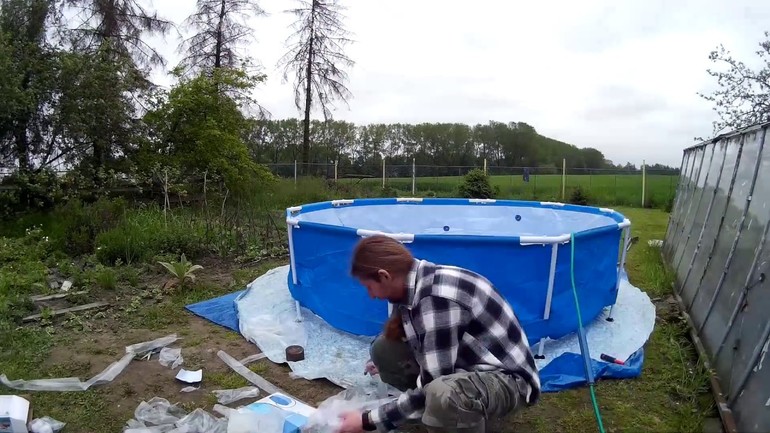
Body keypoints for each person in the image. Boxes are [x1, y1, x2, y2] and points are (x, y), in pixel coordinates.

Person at [336, 235, 541, 433]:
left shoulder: (436, 299)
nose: (371, 296)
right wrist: (382, 363)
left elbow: (430, 385)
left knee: (441, 394)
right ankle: (454, 414)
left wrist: (367, 421)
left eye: (369, 287)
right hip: (472, 364)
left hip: (511, 381)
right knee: (384, 350)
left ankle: (460, 415)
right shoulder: (417, 281)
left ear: (384, 275)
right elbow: (419, 341)